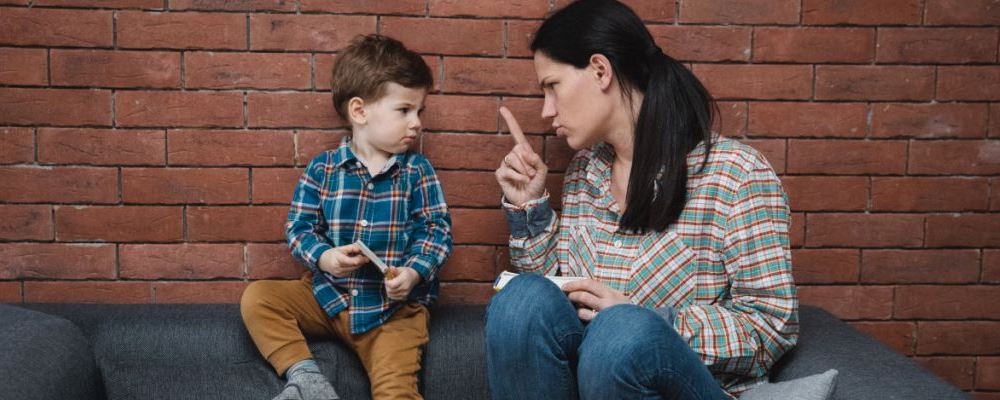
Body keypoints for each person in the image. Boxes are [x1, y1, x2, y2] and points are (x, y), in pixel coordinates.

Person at [486, 0, 798, 398]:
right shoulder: (585, 171)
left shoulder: (736, 174)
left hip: (689, 386)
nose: (547, 111)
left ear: (600, 71)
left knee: (622, 332)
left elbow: (768, 327)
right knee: (522, 301)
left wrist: (650, 320)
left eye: (552, 86)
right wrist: (530, 208)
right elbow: (556, 303)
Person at [240, 34, 453, 400]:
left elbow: (436, 231)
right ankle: (308, 380)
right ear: (359, 111)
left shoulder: (417, 171)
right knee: (259, 298)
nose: (416, 123)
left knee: (397, 390)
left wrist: (414, 272)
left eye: (420, 112)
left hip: (392, 313)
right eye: (404, 110)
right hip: (329, 297)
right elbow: (299, 227)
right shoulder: (323, 169)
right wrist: (325, 257)